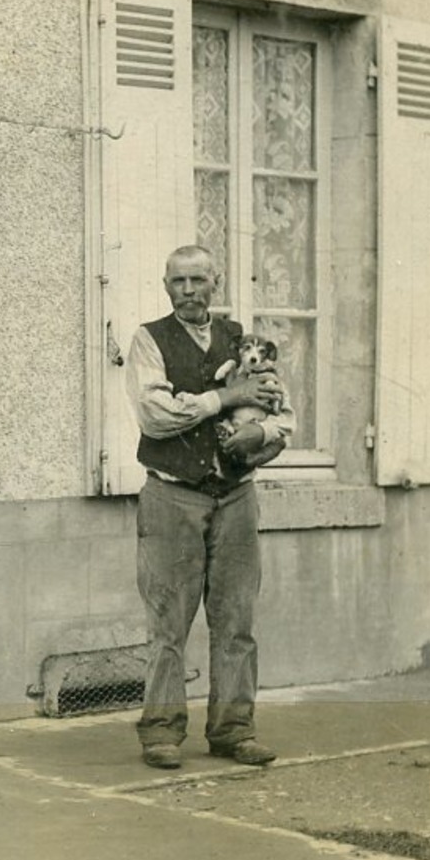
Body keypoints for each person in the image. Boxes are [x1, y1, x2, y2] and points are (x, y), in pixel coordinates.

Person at [124, 245, 294, 771]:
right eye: (179, 281)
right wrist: (224, 398)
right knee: (168, 623)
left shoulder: (240, 339)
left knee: (237, 620)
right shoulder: (148, 340)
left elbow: (281, 409)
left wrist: (259, 432)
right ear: (165, 285)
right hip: (172, 494)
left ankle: (233, 730)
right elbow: (156, 416)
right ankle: (161, 733)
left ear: (215, 283)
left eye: (199, 279)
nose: (189, 290)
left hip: (236, 496)